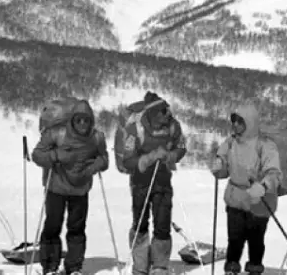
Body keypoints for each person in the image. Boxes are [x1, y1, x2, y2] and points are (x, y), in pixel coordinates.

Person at [31, 99, 110, 275]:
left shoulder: (96, 137)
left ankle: (74, 267)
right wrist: (56, 155)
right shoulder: (56, 133)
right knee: (53, 226)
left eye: (86, 120)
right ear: (72, 120)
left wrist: (93, 167)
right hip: (56, 188)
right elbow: (37, 155)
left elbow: (104, 159)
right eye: (79, 120)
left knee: (77, 228)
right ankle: (50, 266)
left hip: (80, 190)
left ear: (91, 121)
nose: (82, 124)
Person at [120, 91, 187, 275]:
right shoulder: (136, 128)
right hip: (141, 182)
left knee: (162, 223)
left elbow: (181, 146)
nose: (167, 115)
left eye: (167, 110)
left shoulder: (173, 126)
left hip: (163, 180)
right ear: (152, 113)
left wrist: (172, 156)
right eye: (162, 111)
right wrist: (147, 159)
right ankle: (140, 266)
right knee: (140, 223)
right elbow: (127, 159)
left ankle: (159, 266)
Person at [211, 103, 282, 275]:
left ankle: (254, 269)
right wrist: (218, 166)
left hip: (258, 201)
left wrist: (263, 186)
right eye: (233, 120)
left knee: (256, 241)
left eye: (240, 121)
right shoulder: (230, 143)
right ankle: (231, 268)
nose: (235, 124)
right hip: (236, 198)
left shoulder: (265, 145)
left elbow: (274, 173)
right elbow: (223, 170)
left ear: (250, 123)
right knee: (234, 239)